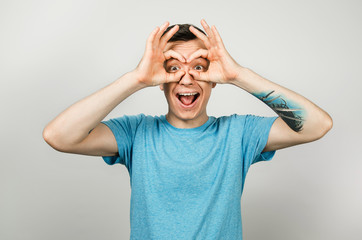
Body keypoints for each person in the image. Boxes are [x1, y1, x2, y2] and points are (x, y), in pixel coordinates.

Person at [43, 19, 333, 239]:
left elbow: (318, 125)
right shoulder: (136, 133)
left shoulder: (239, 133)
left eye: (199, 67)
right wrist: (136, 78)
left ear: (214, 78)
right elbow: (58, 136)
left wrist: (239, 75)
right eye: (172, 68)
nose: (186, 78)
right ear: (160, 80)